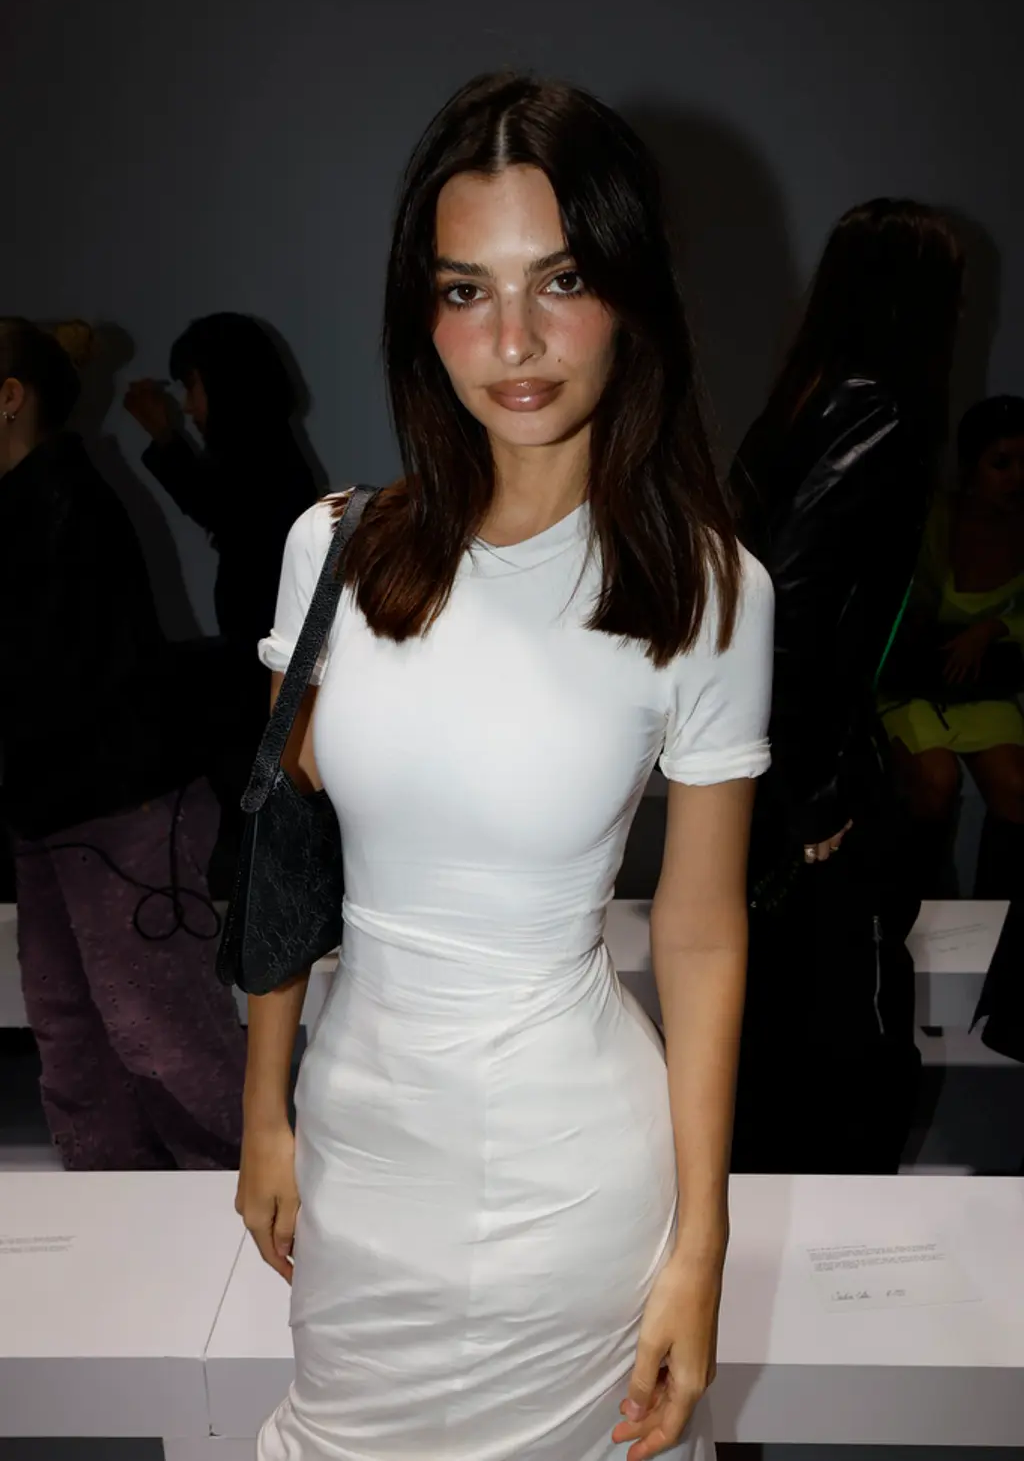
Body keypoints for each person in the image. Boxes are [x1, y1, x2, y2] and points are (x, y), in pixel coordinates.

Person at [236, 72, 773, 1461]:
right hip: (357, 1133)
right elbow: (284, 851)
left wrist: (701, 1243)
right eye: (466, 290)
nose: (514, 340)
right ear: (421, 316)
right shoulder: (334, 549)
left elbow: (701, 931)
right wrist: (263, 1111)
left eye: (562, 280)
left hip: (567, 1173)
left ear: (629, 296)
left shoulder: (706, 588)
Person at [729, 198, 964, 1175]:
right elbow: (789, 602)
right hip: (812, 768)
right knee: (846, 1035)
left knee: (789, 1020)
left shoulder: (805, 398)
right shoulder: (876, 407)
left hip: (775, 762)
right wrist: (818, 790)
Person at [0, 318, 247, 1169]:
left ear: (10, 398)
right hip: (55, 809)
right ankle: (111, 1210)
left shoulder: (64, 501)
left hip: (124, 808)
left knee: (163, 1033)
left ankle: (238, 1214)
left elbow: (48, 671)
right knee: (71, 1033)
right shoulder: (33, 498)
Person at [124, 314, 320, 883]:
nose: (188, 406)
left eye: (193, 386)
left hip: (265, 675)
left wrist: (165, 440)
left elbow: (224, 509)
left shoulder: (267, 462)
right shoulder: (270, 455)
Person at [880, 395, 1024, 901]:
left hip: (981, 685)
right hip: (915, 682)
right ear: (970, 468)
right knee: (936, 782)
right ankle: (916, 905)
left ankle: (994, 917)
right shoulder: (933, 521)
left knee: (1015, 787)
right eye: (1001, 463)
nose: (1017, 477)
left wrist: (993, 629)